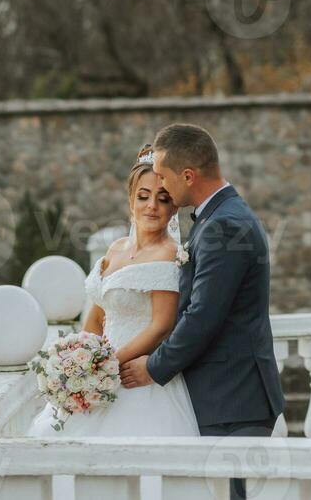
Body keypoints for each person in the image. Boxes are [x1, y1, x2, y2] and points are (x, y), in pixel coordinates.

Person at [120, 123, 285, 500]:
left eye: (163, 177)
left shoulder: (223, 226)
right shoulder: (220, 216)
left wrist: (154, 367)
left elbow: (202, 317)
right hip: (229, 394)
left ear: (188, 176)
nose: (161, 186)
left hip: (233, 398)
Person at [28, 145, 201, 441]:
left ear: (173, 207)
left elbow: (161, 325)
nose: (152, 206)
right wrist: (78, 362)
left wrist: (105, 364)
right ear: (131, 201)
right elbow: (97, 313)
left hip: (137, 377)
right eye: (143, 196)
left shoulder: (169, 254)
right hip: (101, 372)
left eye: (163, 199)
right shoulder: (116, 248)